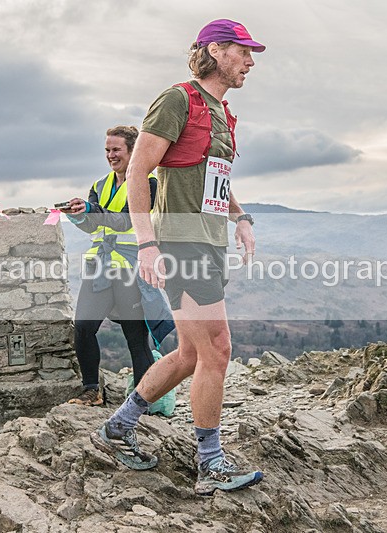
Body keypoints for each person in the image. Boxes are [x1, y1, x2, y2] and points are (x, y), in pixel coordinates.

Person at [90, 19, 265, 496]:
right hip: (179, 244)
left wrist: (241, 218)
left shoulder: (224, 115)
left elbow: (218, 180)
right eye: (244, 52)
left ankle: (118, 427)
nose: (251, 62)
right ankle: (210, 463)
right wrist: (147, 244)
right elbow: (138, 172)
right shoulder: (177, 100)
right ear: (216, 51)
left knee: (190, 354)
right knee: (217, 350)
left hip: (209, 242)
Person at [60, 126, 172, 406]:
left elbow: (127, 220)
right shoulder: (99, 186)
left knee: (135, 338)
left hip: (131, 270)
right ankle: (91, 391)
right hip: (100, 266)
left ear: (132, 151)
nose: (111, 155)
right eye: (107, 150)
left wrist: (91, 210)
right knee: (84, 327)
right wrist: (78, 216)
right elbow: (93, 225)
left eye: (116, 150)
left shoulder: (149, 183)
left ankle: (142, 402)